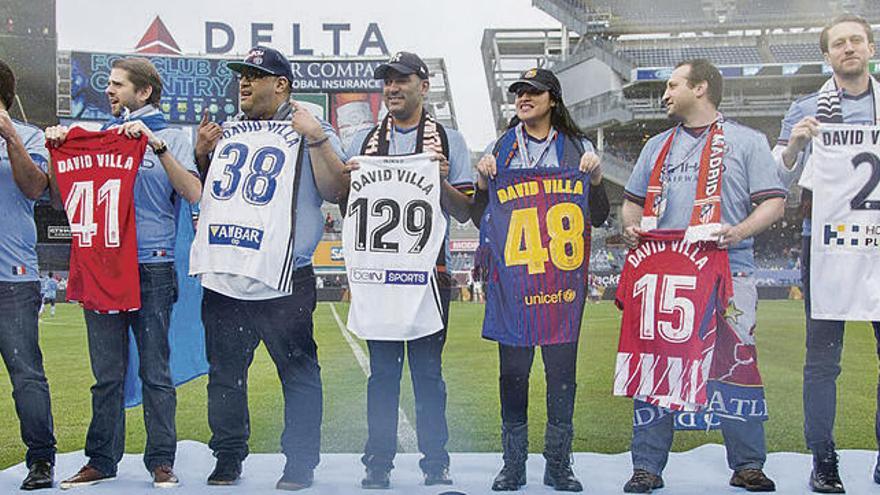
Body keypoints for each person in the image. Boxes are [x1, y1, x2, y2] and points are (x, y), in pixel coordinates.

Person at [619, 59, 784, 493]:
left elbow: (773, 204)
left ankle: (747, 464)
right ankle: (647, 466)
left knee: (737, 364)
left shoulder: (748, 142)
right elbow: (632, 203)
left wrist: (738, 232)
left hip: (730, 269)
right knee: (657, 365)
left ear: (701, 88)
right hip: (666, 275)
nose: (666, 93)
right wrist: (631, 227)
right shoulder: (656, 146)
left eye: (673, 84)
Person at [191, 45, 347, 490]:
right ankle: (227, 455)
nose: (243, 81)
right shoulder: (229, 132)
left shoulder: (311, 128)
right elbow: (214, 195)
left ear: (281, 85)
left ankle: (299, 462)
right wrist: (204, 156)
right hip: (227, 271)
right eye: (241, 73)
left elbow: (338, 191)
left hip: (284, 274)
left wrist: (315, 138)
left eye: (254, 75)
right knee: (224, 374)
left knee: (297, 372)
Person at [46, 57, 202, 489]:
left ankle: (161, 460)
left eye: (118, 85)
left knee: (156, 371)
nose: (110, 92)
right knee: (107, 374)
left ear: (144, 91)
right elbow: (63, 199)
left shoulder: (172, 137)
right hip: (103, 268)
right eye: (109, 85)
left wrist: (156, 146)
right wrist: (56, 148)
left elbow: (193, 193)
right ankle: (101, 459)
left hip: (153, 266)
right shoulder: (100, 137)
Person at [473, 67, 608, 492]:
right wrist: (481, 182)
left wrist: (598, 180)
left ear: (553, 98)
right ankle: (513, 465)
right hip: (516, 285)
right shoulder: (502, 147)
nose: (523, 98)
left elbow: (599, 216)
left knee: (561, 376)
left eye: (533, 92)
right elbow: (483, 216)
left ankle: (558, 464)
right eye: (519, 92)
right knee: (512, 375)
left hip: (561, 288)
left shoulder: (577, 148)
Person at [342, 51, 473, 489]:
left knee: (427, 375)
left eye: (401, 80)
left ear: (424, 85)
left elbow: (467, 209)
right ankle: (378, 462)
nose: (392, 88)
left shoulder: (449, 139)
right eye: (387, 81)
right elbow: (347, 204)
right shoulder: (363, 140)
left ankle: (435, 461)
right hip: (378, 276)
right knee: (382, 375)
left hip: (429, 275)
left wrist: (441, 180)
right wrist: (350, 179)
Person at [773, 14, 880, 493]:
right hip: (826, 244)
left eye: (856, 40)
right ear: (827, 55)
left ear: (871, 48)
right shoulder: (806, 106)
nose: (849, 48)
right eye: (839, 43)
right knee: (821, 359)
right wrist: (795, 143)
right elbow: (775, 176)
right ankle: (824, 458)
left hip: (878, 241)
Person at [0, 58, 56, 491]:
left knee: (26, 375)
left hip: (13, 279)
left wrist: (11, 136)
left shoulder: (31, 135)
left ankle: (41, 460)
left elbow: (36, 188)